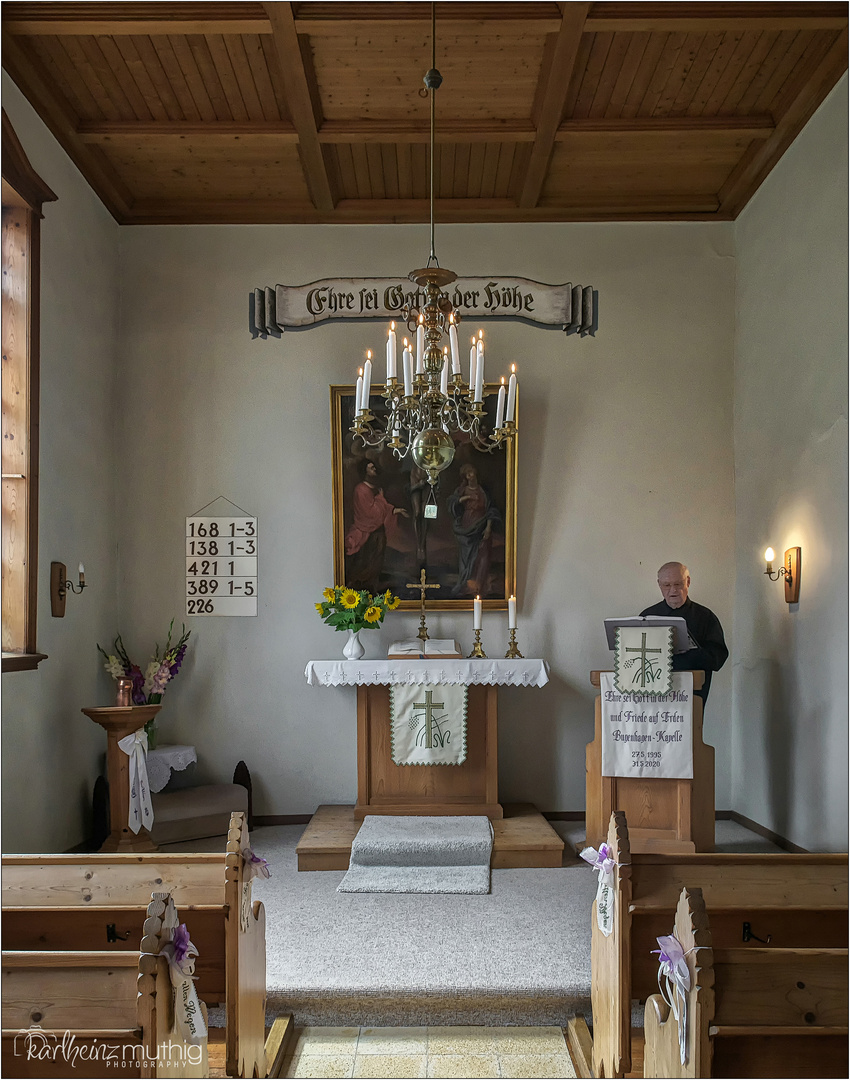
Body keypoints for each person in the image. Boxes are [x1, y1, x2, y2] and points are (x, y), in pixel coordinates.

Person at [640, 561, 728, 704]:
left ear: (688, 582)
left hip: (691, 694)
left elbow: (718, 658)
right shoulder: (647, 616)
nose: (673, 590)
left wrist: (689, 653)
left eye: (678, 584)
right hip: (653, 697)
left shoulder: (705, 617)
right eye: (667, 585)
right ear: (659, 585)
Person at [344, 459, 409, 592]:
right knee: (367, 560)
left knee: (377, 559)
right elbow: (370, 512)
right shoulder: (361, 489)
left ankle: (372, 586)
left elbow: (382, 509)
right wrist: (380, 498)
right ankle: (360, 586)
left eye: (374, 467)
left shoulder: (374, 489)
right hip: (368, 532)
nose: (374, 469)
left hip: (378, 531)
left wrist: (396, 510)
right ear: (365, 471)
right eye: (371, 468)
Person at [448, 462, 501, 597]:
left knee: (483, 555)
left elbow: (491, 510)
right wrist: (464, 498)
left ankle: (479, 587)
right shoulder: (462, 490)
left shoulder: (484, 491)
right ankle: (466, 585)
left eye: (471, 472)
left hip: (482, 525)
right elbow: (452, 503)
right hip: (468, 525)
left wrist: (488, 527)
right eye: (467, 474)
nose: (470, 476)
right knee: (467, 558)